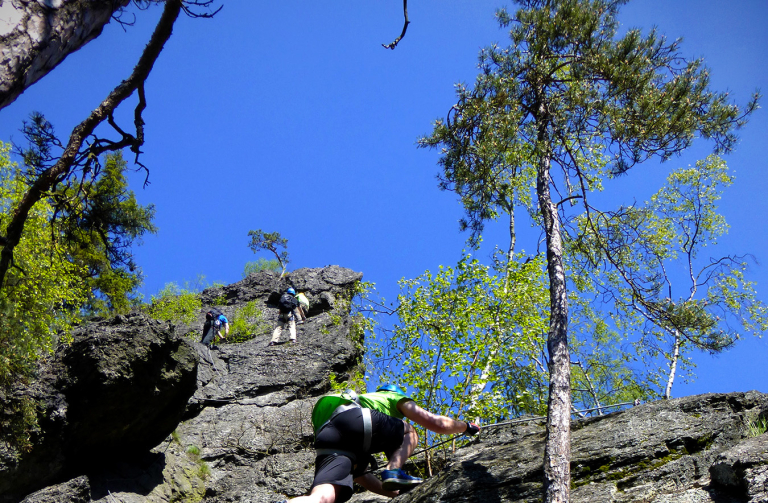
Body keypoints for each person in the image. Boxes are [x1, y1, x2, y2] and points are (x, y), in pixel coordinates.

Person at [276, 384, 480, 503]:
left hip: (328, 437)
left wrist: (398, 493)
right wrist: (466, 426)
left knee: (321, 497)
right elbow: (435, 423)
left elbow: (360, 476)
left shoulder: (363, 400)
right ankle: (394, 470)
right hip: (356, 420)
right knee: (410, 431)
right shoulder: (392, 397)